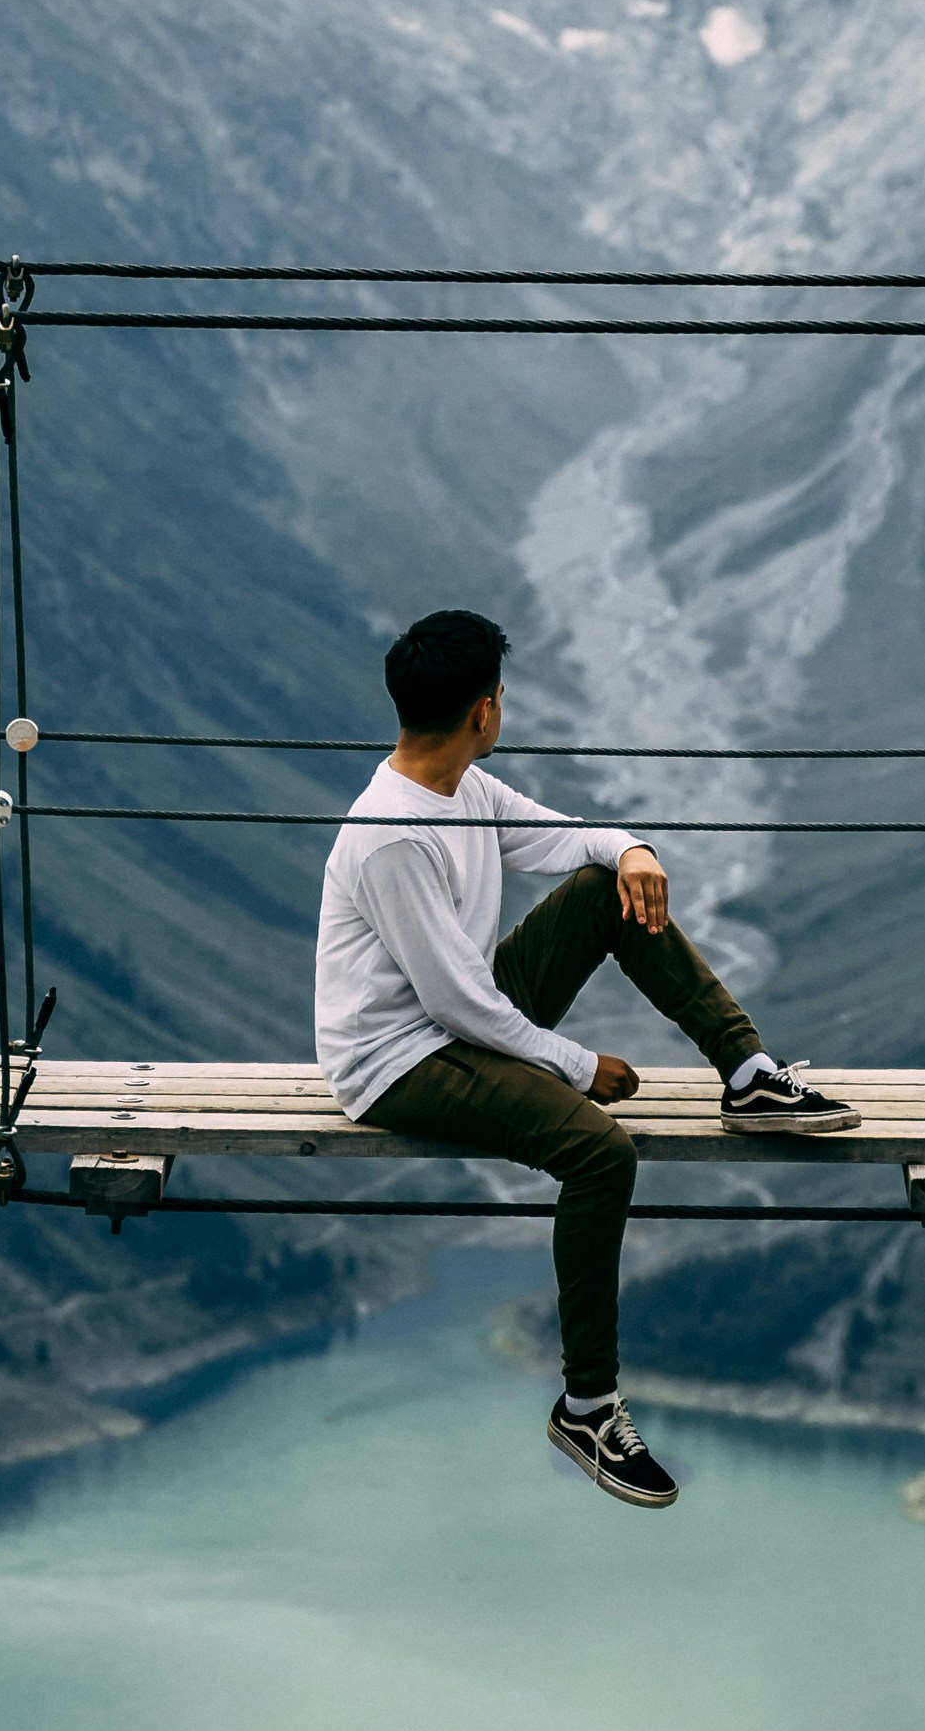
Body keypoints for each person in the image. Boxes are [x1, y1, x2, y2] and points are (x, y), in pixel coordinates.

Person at [315, 607, 858, 1509]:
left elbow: (570, 840)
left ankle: (748, 1073)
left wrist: (632, 848)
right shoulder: (394, 836)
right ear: (485, 711)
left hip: (455, 1024)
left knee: (607, 889)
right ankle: (588, 1406)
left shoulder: (464, 790)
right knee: (600, 1151)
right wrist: (575, 1064)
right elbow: (455, 1002)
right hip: (395, 1062)